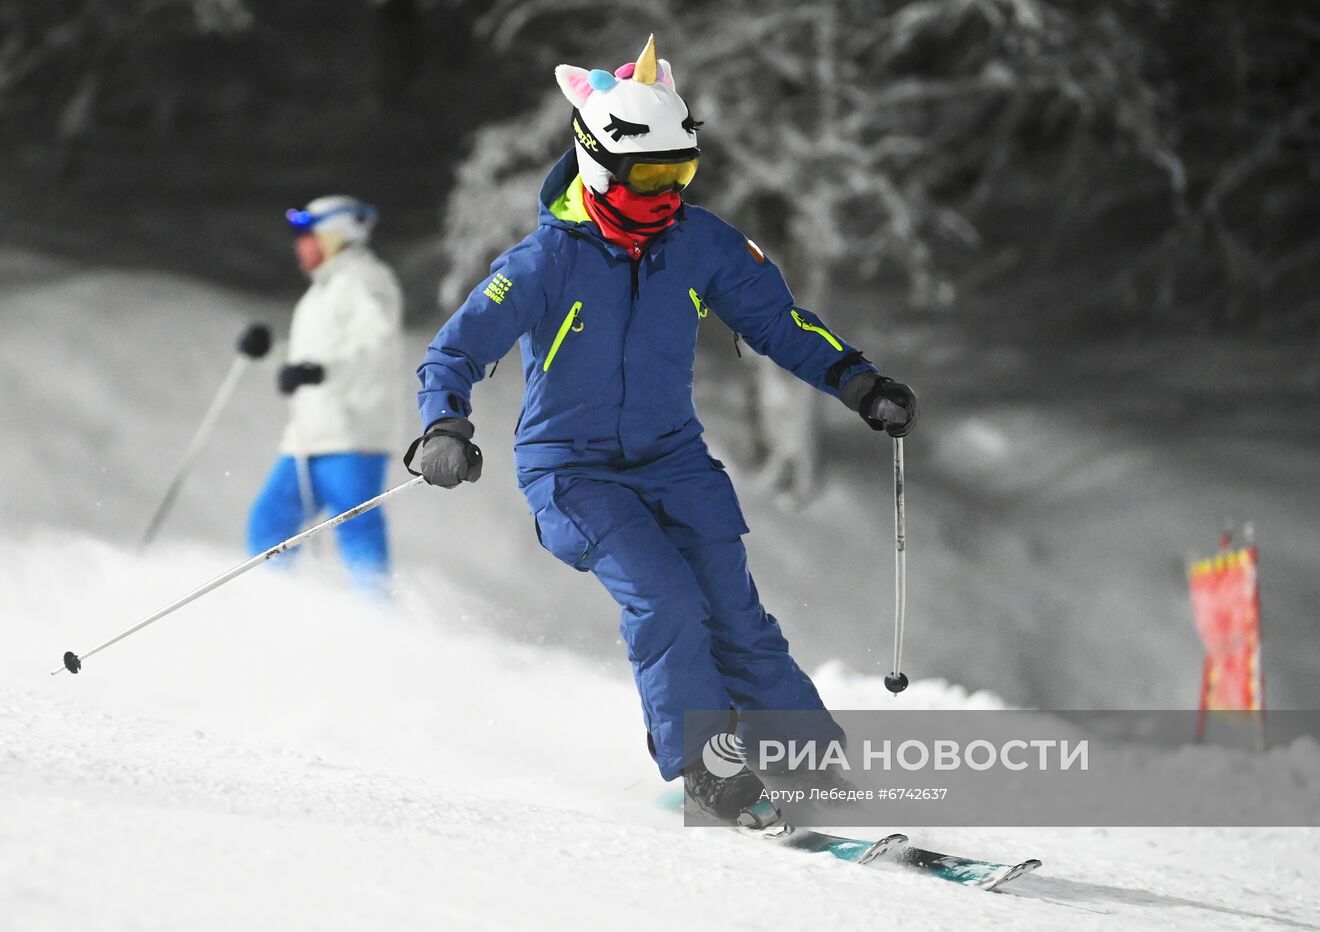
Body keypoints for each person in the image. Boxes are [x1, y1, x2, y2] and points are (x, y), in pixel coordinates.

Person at [416, 38, 917, 820]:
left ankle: (814, 771)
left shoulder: (699, 243)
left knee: (734, 613)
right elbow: (455, 349)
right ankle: (708, 770)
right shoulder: (545, 261)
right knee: (666, 601)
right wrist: (444, 424)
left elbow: (778, 322)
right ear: (599, 164)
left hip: (673, 459)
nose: (666, 192)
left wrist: (856, 380)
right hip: (572, 471)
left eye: (679, 172)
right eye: (649, 175)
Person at [248, 195, 404, 592]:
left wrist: (318, 371)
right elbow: (312, 362)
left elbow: (375, 348)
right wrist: (271, 353)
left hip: (351, 437)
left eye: (307, 233)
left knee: (357, 535)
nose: (299, 245)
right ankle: (270, 610)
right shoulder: (320, 293)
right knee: (268, 527)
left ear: (335, 234)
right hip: (307, 438)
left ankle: (380, 623)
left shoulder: (367, 281)